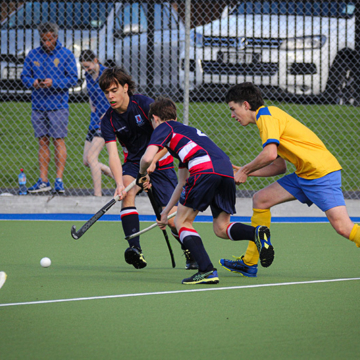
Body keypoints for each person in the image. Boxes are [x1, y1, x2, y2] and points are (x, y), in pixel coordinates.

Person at [221, 82, 360, 277]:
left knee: (343, 227)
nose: (232, 116)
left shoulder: (266, 116)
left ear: (245, 105)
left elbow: (269, 154)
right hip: (305, 174)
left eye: (233, 109)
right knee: (261, 199)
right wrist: (248, 172)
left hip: (321, 174)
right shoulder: (267, 119)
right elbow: (279, 166)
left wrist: (244, 170)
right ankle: (249, 263)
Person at [137, 96, 274, 285]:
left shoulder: (163, 127)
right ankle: (256, 233)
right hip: (224, 170)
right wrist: (165, 212)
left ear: (155, 118)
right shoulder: (188, 136)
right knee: (221, 227)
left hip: (204, 169)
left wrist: (142, 173)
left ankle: (206, 270)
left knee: (182, 221)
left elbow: (147, 158)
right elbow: (182, 183)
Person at [99, 67, 197, 270]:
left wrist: (153, 161)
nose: (110, 96)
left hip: (161, 161)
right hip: (134, 164)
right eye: (107, 92)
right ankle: (135, 250)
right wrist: (118, 183)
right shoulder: (108, 119)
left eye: (114, 90)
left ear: (125, 88)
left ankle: (191, 251)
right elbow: (113, 154)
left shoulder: (144, 105)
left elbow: (168, 135)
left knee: (171, 219)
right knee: (126, 192)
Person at [21, 22, 78, 194]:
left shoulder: (66, 55)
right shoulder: (33, 55)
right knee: (42, 141)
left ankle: (58, 180)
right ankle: (43, 180)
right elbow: (24, 76)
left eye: (50, 39)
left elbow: (73, 79)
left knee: (58, 140)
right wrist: (33, 82)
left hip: (58, 106)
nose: (47, 43)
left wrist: (54, 83)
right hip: (38, 106)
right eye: (44, 40)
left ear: (56, 37)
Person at [79, 50, 113, 196]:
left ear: (95, 60)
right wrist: (92, 107)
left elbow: (117, 96)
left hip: (106, 121)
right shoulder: (88, 75)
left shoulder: (107, 74)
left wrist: (109, 112)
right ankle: (122, 182)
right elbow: (91, 96)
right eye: (84, 68)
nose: (86, 70)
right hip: (94, 120)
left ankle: (97, 196)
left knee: (93, 158)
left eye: (88, 66)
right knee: (86, 161)